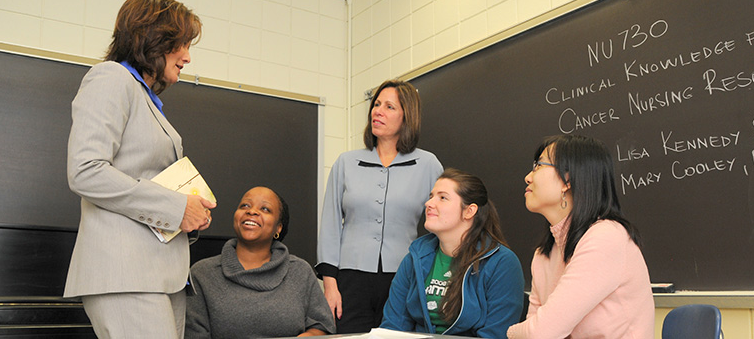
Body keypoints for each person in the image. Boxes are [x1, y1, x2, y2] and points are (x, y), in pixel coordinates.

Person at [63, 0, 212, 338]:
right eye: (182, 45)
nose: (188, 57)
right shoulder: (110, 78)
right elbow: (86, 170)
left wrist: (191, 213)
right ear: (154, 40)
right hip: (126, 274)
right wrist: (176, 207)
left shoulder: (144, 97)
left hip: (158, 276)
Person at [317, 79, 444, 333]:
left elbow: (443, 222)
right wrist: (330, 286)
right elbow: (330, 225)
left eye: (389, 106)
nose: (378, 111)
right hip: (350, 279)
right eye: (376, 105)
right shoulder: (346, 162)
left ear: (407, 116)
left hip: (404, 277)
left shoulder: (428, 164)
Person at [507, 135, 654, 339]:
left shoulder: (606, 237)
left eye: (538, 166)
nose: (528, 177)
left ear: (567, 179)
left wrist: (510, 332)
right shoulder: (544, 253)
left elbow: (539, 332)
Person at [381, 168, 525, 339]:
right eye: (431, 196)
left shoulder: (503, 263)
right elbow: (392, 327)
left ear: (469, 211)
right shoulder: (415, 256)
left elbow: (495, 335)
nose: (429, 204)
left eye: (442, 198)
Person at [185, 187, 335, 338]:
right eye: (245, 206)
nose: (252, 211)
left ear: (278, 228)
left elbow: (322, 325)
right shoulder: (202, 274)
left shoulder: (300, 271)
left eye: (265, 209)